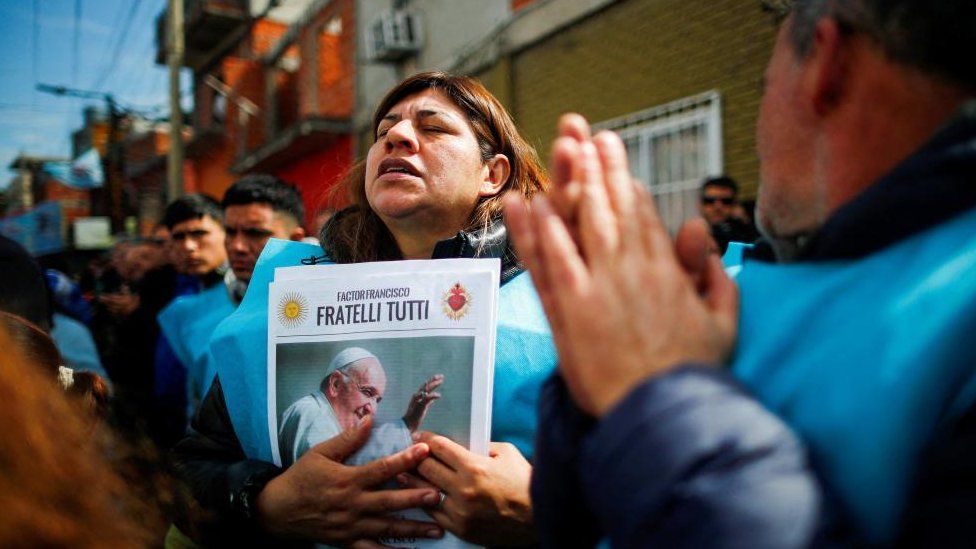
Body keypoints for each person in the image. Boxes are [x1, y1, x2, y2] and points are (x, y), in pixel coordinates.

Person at [506, 0, 976, 545]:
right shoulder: (766, 277)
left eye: (763, 87)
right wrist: (593, 386)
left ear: (827, 67)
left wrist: (657, 393)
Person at [173, 71, 555, 547]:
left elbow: (659, 490)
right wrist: (265, 502)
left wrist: (545, 514)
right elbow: (191, 471)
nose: (396, 136)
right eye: (384, 132)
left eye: (433, 127)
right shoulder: (289, 296)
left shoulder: (564, 303)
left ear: (491, 174)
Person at [278, 347, 443, 468]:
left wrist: (407, 424)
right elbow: (334, 476)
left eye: (377, 400)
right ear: (335, 384)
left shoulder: (321, 414)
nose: (372, 409)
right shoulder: (313, 414)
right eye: (367, 392)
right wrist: (405, 426)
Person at [222, 174, 307, 302]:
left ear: (295, 240)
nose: (237, 246)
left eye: (255, 233)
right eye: (230, 232)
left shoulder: (330, 298)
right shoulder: (204, 305)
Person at [699, 176, 759, 252]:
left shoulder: (745, 235)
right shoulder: (694, 237)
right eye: (710, 201)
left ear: (735, 204)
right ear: (700, 205)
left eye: (726, 201)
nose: (718, 207)